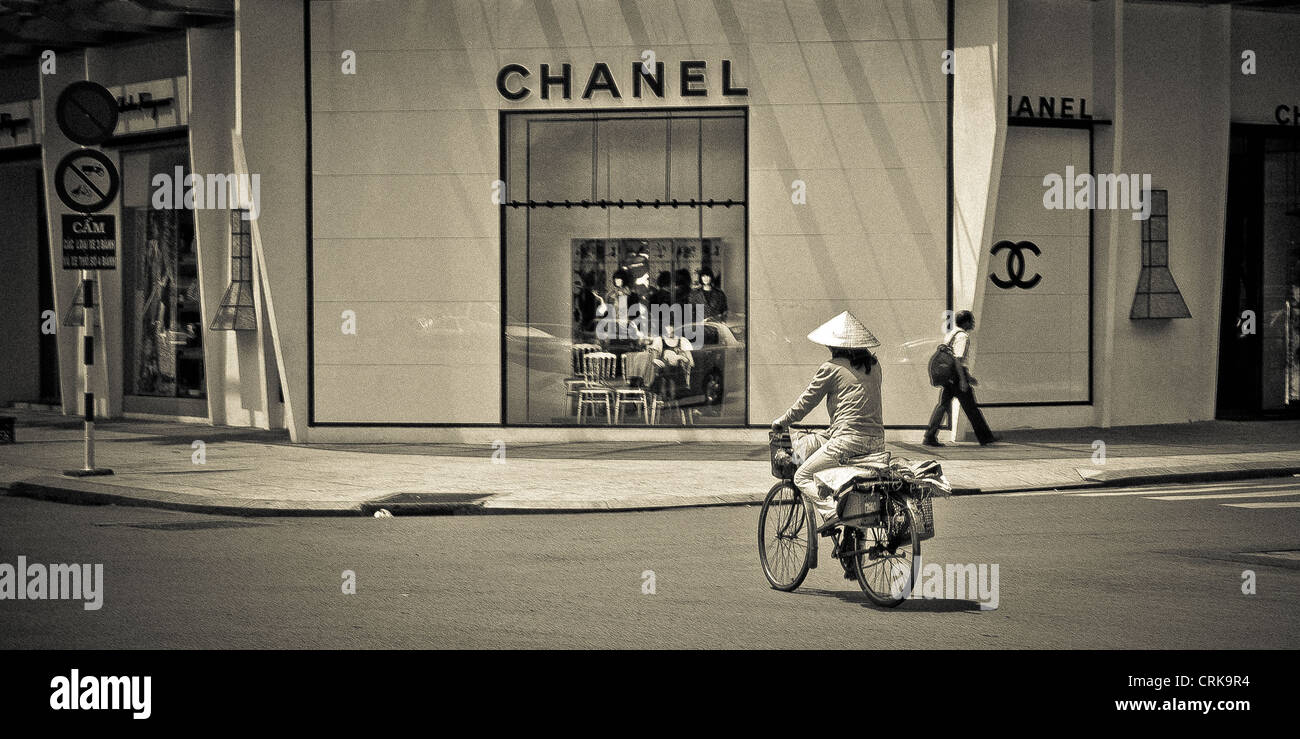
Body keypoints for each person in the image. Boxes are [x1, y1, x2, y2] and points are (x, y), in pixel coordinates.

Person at [770, 311, 885, 529]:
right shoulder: (875, 366)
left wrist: (781, 422)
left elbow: (805, 403)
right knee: (855, 487)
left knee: (802, 476)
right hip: (876, 441)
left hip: (848, 441)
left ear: (835, 345)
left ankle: (832, 513)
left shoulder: (831, 368)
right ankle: (855, 543)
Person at [923, 310, 998, 446]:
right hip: (957, 377)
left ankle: (929, 436)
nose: (973, 323)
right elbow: (958, 359)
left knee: (943, 405)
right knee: (971, 408)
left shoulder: (951, 333)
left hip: (950, 376)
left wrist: (967, 377)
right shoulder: (963, 336)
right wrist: (963, 380)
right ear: (966, 322)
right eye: (971, 320)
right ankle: (985, 438)